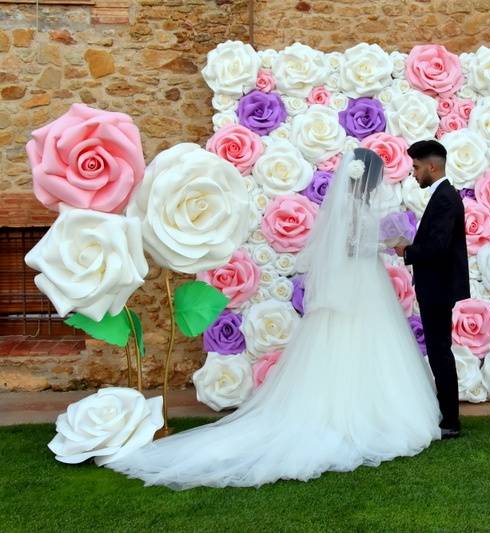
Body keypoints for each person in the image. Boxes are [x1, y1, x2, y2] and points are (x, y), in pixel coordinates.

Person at [106, 148, 441, 489]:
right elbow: (352, 248)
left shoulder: (349, 205)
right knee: (359, 341)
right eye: (376, 178)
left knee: (357, 343)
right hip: (361, 284)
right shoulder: (352, 207)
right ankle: (360, 413)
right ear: (367, 178)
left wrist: (384, 240)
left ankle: (366, 407)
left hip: (361, 284)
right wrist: (388, 242)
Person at [394, 140, 469, 439]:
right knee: (439, 351)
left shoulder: (446, 198)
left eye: (416, 167)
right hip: (436, 285)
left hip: (438, 286)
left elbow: (437, 247)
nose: (413, 174)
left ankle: (450, 420)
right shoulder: (442, 196)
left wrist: (407, 251)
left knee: (440, 352)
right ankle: (446, 414)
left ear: (432, 166)